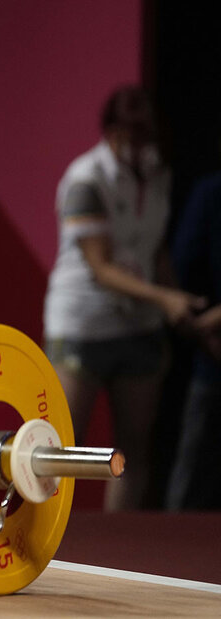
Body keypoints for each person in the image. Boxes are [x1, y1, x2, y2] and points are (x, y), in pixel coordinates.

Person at [42, 86, 206, 511]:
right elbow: (102, 268)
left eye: (148, 128)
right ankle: (54, 540)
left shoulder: (158, 173)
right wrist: (166, 300)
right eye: (132, 127)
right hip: (83, 324)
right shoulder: (85, 179)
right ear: (112, 129)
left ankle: (121, 545)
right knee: (64, 446)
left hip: (139, 326)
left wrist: (177, 299)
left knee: (132, 448)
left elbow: (153, 249)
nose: (142, 136)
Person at [166, 171, 221, 509]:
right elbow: (182, 263)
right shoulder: (210, 193)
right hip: (212, 354)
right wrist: (201, 328)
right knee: (192, 478)